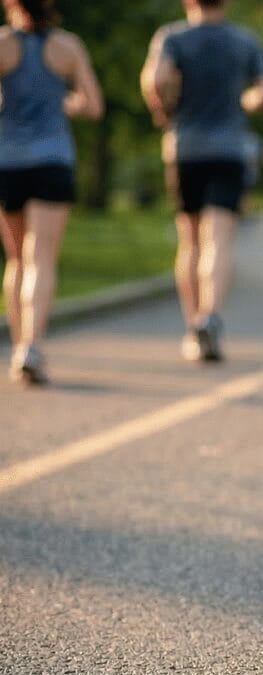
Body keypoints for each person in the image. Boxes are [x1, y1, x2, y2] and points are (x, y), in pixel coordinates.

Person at [140, 0, 263, 363]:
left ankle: (193, 326)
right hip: (230, 150)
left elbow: (155, 79)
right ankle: (211, 317)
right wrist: (245, 101)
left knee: (190, 240)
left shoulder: (172, 37)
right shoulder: (245, 41)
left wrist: (162, 109)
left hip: (184, 148)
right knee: (218, 239)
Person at [0, 0, 102, 386]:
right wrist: (66, 103)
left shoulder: (2, 45)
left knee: (16, 260)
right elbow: (93, 106)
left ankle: (17, 348)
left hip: (7, 161)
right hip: (53, 160)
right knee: (40, 256)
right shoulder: (68, 47)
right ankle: (33, 346)